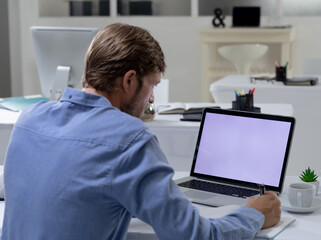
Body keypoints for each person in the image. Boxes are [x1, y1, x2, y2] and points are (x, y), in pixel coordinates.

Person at [2, 23, 281, 240]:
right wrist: (252, 214)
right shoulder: (131, 139)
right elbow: (197, 235)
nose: (151, 100)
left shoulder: (29, 120)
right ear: (129, 80)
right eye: (152, 86)